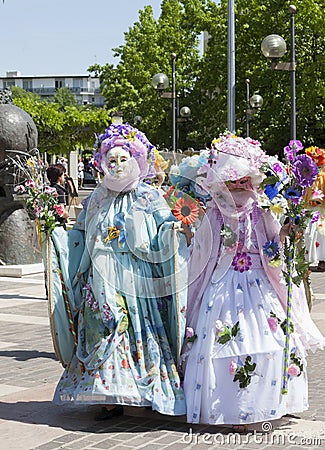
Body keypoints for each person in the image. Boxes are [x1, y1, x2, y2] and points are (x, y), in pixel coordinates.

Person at [46, 123, 188, 420]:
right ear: (103, 163)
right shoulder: (98, 196)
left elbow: (164, 226)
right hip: (101, 272)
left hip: (136, 274)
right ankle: (108, 395)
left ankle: (143, 389)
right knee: (104, 325)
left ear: (136, 160)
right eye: (112, 160)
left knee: (135, 324)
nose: (118, 165)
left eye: (124, 159)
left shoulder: (148, 195)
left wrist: (172, 230)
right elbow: (81, 230)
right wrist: (58, 234)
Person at [181, 134, 324, 428]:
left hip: (258, 282)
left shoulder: (261, 207)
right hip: (221, 283)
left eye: (241, 179)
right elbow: (204, 251)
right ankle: (234, 409)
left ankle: (265, 402)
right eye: (231, 180)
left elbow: (273, 243)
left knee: (267, 338)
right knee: (227, 343)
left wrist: (287, 234)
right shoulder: (215, 210)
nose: (237, 186)